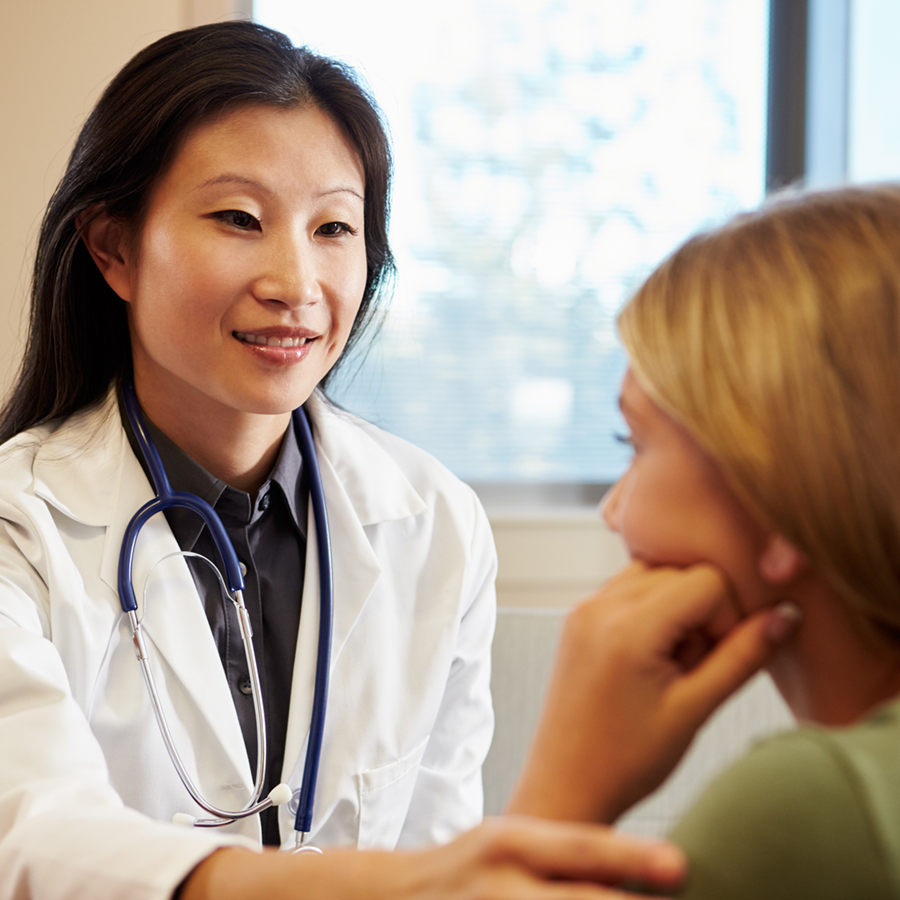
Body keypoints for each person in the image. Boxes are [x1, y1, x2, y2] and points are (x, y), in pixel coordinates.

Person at [0, 18, 696, 900]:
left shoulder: (433, 521)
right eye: (239, 218)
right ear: (115, 249)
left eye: (334, 228)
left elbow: (440, 850)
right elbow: (30, 831)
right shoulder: (20, 527)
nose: (296, 283)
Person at [508, 184, 900, 898]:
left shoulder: (817, 807)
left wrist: (561, 792)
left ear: (780, 496)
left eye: (638, 445)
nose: (614, 512)